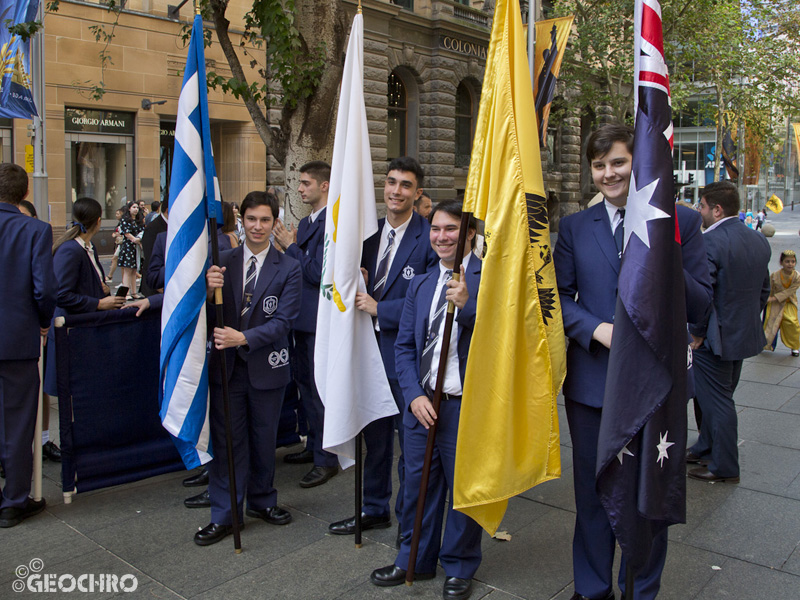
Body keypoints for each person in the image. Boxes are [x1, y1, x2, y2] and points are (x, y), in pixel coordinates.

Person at [553, 123, 712, 600]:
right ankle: (592, 586)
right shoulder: (577, 226)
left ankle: (642, 589)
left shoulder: (680, 221)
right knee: (593, 497)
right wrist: (594, 329)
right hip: (593, 389)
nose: (608, 173)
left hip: (655, 387)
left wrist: (666, 252)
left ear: (637, 164)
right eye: (599, 166)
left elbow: (703, 303)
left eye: (618, 162)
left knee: (650, 497)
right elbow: (557, 298)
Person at [370, 200, 482, 600]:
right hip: (422, 406)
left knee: (463, 490)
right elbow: (403, 347)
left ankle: (459, 564)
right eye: (435, 229)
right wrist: (413, 396)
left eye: (451, 229)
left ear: (469, 233)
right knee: (417, 485)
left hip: (464, 405)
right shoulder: (420, 283)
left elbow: (501, 343)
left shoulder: (489, 281)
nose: (441, 237)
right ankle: (413, 557)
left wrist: (468, 307)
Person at [328, 157, 437, 545]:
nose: (396, 191)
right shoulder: (367, 236)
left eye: (406, 185)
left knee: (411, 449)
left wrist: (380, 309)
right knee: (374, 438)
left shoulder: (430, 237)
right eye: (391, 182)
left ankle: (411, 524)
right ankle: (373, 508)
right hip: (368, 355)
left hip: (408, 361)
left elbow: (428, 299)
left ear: (417, 193)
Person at [195, 190, 302, 546]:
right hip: (226, 370)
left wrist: (243, 337)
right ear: (241, 219)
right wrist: (208, 294)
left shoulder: (289, 266)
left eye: (265, 220)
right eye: (251, 219)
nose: (258, 227)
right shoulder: (221, 261)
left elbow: (284, 322)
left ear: (276, 223)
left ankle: (261, 500)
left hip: (266, 366)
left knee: (263, 439)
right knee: (227, 443)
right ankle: (225, 514)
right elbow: (204, 318)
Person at [688, 181, 771, 484]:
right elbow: (764, 290)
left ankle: (723, 466)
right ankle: (705, 446)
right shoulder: (758, 240)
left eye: (702, 206)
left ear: (716, 209)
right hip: (741, 333)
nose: (700, 211)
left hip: (714, 339)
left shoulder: (710, 243)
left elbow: (703, 293)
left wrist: (696, 332)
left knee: (718, 401)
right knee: (711, 397)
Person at [272, 160, 339, 487]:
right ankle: (313, 444)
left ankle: (328, 457)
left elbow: (318, 273)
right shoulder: (309, 220)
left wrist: (291, 246)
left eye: (306, 183)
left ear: (324, 185)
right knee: (303, 386)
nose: (300, 188)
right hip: (301, 317)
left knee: (317, 389)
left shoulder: (333, 222)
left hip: (318, 320)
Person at [0, 163, 57, 528]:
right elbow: (44, 289)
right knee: (19, 423)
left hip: (16, 335)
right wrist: (41, 322)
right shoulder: (34, 230)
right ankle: (13, 500)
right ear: (24, 194)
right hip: (17, 339)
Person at [16, 200, 62, 463]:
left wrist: (44, 319)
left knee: (39, 387)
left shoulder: (36, 235)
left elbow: (46, 288)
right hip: (19, 329)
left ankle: (43, 441)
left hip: (32, 329)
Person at [764, 250, 800, 356]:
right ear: (781, 262)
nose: (790, 264)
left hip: (788, 303)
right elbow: (770, 288)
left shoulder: (797, 276)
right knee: (770, 322)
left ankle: (795, 346)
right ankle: (766, 344)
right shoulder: (775, 275)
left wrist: (774, 298)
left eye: (793, 262)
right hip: (774, 304)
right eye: (787, 261)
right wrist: (766, 299)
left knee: (792, 323)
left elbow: (790, 291)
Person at [140, 196, 168, 297]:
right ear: (168, 210)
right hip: (156, 285)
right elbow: (150, 256)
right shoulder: (153, 228)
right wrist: (158, 281)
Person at [118, 201, 144, 299]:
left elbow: (142, 230)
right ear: (129, 208)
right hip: (128, 246)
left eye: (137, 207)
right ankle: (126, 293)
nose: (136, 209)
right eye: (133, 207)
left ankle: (134, 292)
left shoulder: (138, 220)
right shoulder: (125, 220)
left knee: (134, 271)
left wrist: (139, 240)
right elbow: (126, 233)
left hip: (136, 247)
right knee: (128, 271)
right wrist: (135, 239)